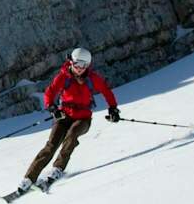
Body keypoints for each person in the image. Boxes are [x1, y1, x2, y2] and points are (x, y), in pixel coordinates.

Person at [19, 48, 120, 192]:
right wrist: (53, 108)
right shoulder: (63, 77)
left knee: (72, 135)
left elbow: (106, 91)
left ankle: (58, 168)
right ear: (71, 62)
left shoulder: (93, 79)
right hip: (64, 116)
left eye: (83, 66)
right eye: (77, 65)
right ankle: (29, 178)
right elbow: (50, 92)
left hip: (83, 119)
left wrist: (113, 109)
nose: (79, 69)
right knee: (51, 145)